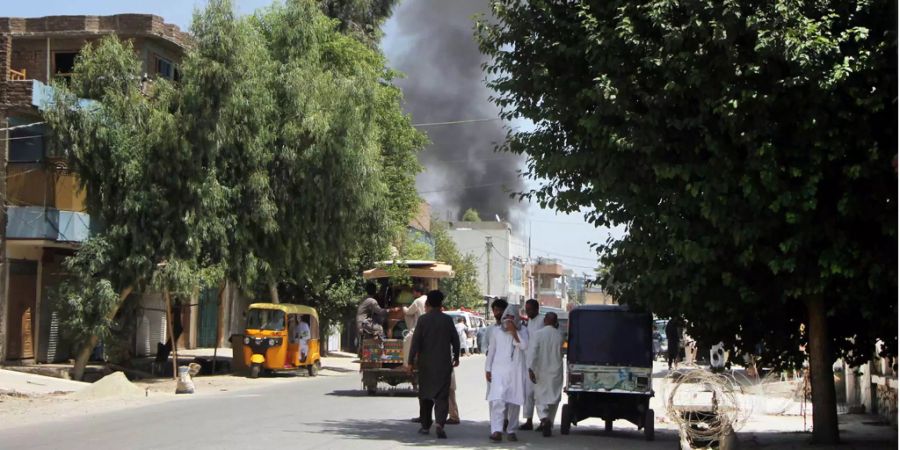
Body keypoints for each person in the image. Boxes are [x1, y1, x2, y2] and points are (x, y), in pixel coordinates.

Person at [407, 290, 460, 439]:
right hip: (444, 364)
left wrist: (410, 362)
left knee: (425, 396)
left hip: (426, 365)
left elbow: (415, 342)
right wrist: (456, 357)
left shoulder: (423, 320)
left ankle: (425, 426)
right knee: (442, 396)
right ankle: (439, 424)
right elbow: (456, 340)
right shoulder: (447, 320)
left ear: (427, 303)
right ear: (441, 304)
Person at [485, 304, 529, 442]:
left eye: (512, 318)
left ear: (516, 318)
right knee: (498, 400)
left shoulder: (523, 331)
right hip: (499, 371)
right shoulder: (497, 331)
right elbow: (491, 351)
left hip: (516, 372)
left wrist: (514, 333)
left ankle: (511, 430)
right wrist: (487, 369)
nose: (509, 321)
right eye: (507, 318)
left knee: (514, 402)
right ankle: (496, 430)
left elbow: (524, 346)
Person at [527, 312, 564, 437]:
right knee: (554, 397)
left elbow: (532, 353)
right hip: (555, 370)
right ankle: (550, 421)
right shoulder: (560, 335)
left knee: (540, 396)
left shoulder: (538, 334)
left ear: (545, 321)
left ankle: (544, 419)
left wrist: (530, 369)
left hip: (540, 369)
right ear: (555, 321)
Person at [520, 298, 544, 430]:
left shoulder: (542, 320)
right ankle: (528, 420)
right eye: (526, 309)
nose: (527, 312)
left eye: (530, 309)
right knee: (528, 393)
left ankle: (543, 421)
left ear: (536, 309)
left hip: (540, 363)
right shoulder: (529, 322)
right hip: (528, 362)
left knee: (539, 394)